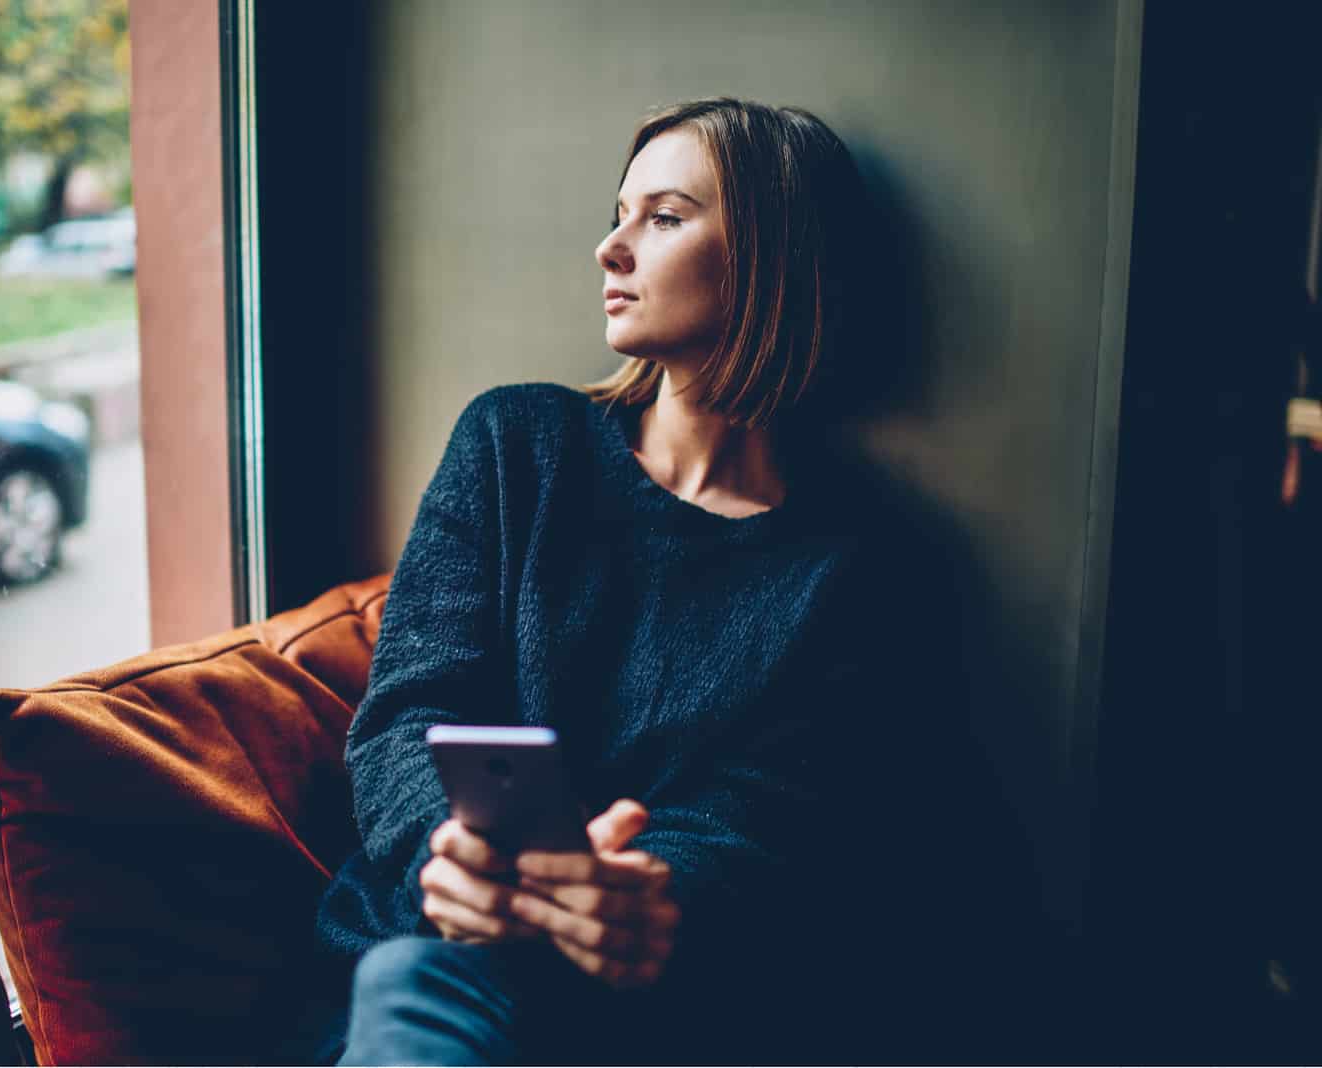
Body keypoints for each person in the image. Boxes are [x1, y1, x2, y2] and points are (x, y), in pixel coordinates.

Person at [288, 97, 1025, 1066]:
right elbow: (408, 707)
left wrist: (651, 893)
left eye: (664, 217)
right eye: (617, 212)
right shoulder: (519, 444)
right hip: (436, 957)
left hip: (656, 1003)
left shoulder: (860, 565)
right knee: (416, 985)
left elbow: (768, 813)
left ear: (771, 254)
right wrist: (446, 858)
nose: (610, 249)